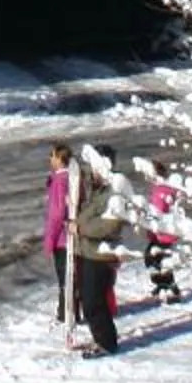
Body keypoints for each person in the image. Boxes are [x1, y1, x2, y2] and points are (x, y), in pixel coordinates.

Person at [68, 145, 138, 358]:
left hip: (101, 254)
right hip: (88, 252)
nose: (92, 171)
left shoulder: (115, 191)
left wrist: (81, 228)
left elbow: (111, 225)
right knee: (91, 300)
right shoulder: (98, 188)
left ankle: (106, 343)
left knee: (93, 301)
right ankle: (102, 338)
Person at [136, 158, 183, 303]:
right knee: (157, 259)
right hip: (163, 232)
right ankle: (166, 285)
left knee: (154, 259)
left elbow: (160, 210)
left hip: (163, 233)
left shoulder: (162, 190)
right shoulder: (163, 188)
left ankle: (169, 288)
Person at [41, 143, 75, 328]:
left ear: (60, 159)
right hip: (68, 235)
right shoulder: (69, 178)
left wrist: (49, 240)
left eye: (52, 155)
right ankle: (69, 311)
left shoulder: (60, 181)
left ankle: (65, 314)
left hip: (62, 238)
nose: (50, 159)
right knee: (69, 275)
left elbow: (57, 213)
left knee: (64, 276)